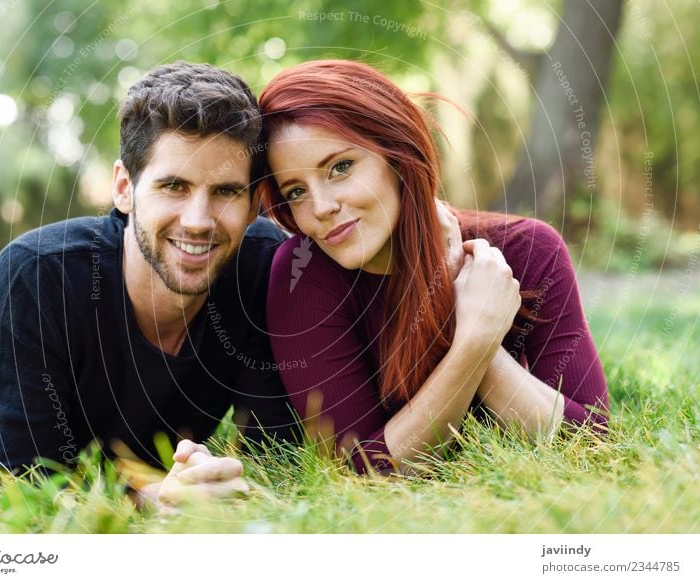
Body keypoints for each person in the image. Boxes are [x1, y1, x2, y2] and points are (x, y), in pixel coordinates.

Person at [0, 62, 299, 506]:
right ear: (125, 187)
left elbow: (275, 453)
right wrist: (153, 500)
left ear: (251, 204)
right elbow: (26, 487)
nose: (198, 221)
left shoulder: (265, 267)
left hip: (137, 455)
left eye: (225, 191)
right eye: (173, 186)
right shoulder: (36, 275)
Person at [259, 60, 609, 474]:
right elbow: (362, 473)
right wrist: (473, 337)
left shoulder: (529, 251)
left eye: (340, 167)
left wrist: (471, 325)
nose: (321, 208)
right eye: (296, 191)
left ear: (397, 153)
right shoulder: (302, 278)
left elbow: (592, 449)